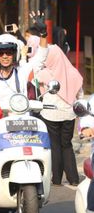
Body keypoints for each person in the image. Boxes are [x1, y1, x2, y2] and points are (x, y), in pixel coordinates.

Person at [0, 24, 49, 196]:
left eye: (8, 52)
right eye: (1, 53)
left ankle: (42, 178)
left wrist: (44, 34)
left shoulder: (22, 73)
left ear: (14, 54)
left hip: (23, 123)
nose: (5, 56)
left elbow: (41, 57)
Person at [37, 44, 83, 185]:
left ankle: (56, 179)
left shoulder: (45, 73)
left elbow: (35, 77)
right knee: (67, 145)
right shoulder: (73, 72)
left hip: (50, 113)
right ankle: (74, 178)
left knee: (55, 145)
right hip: (69, 114)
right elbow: (80, 95)